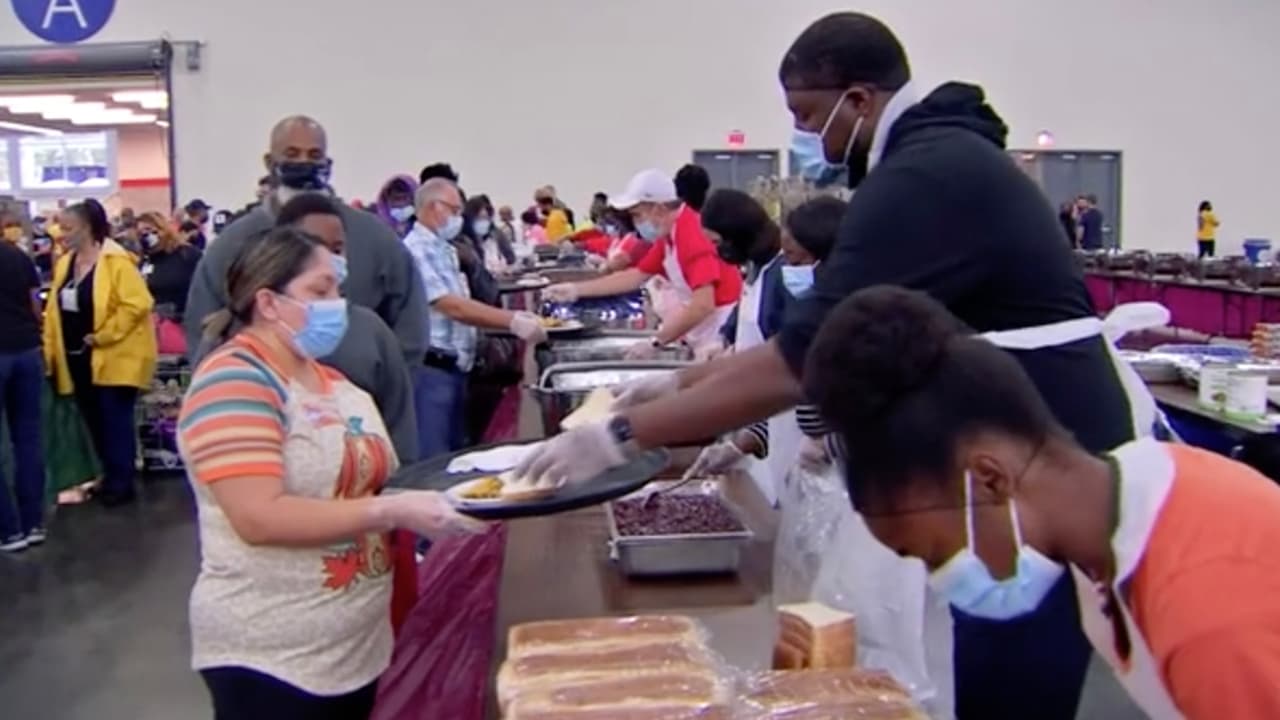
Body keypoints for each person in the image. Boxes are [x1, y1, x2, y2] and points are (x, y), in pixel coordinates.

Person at [517, 12, 1154, 719]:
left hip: (1040, 456)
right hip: (1005, 451)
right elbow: (819, 334)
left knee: (1010, 672)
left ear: (860, 99)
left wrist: (623, 434)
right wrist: (681, 381)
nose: (804, 137)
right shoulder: (932, 160)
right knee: (982, 647)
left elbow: (806, 361)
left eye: (806, 115)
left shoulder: (928, 174)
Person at [807, 285, 1280, 719]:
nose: (943, 581)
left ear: (989, 479)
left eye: (935, 556)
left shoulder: (1208, 619)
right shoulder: (1117, 519)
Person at [179, 226, 482, 720]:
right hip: (272, 655)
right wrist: (390, 510)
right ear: (269, 303)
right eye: (319, 292)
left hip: (351, 648)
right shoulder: (234, 380)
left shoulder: (331, 381)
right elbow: (258, 517)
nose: (335, 305)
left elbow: (372, 473)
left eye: (337, 290)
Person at [183, 115, 428, 373]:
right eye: (292, 153)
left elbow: (410, 322)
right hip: (262, 395)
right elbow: (204, 327)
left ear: (328, 163)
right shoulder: (234, 243)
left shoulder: (375, 238)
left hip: (360, 397)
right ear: (269, 162)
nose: (303, 162)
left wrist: (391, 381)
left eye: (313, 154)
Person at [688, 193, 843, 497]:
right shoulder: (763, 274)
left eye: (797, 259)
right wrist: (742, 442)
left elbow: (794, 373)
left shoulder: (842, 325)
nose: (792, 266)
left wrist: (825, 441)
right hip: (781, 429)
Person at [403, 178, 547, 458]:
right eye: (455, 211)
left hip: (457, 368)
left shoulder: (445, 249)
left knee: (456, 452)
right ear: (434, 207)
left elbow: (468, 304)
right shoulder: (416, 250)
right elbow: (452, 306)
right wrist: (511, 321)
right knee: (435, 458)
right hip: (433, 371)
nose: (459, 219)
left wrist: (511, 316)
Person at [272, 193, 420, 464]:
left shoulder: (370, 331)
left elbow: (400, 429)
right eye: (314, 246)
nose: (327, 258)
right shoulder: (251, 333)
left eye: (337, 249)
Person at [543, 169, 743, 359]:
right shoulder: (669, 237)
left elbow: (702, 305)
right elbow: (635, 276)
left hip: (718, 336)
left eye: (637, 214)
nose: (635, 222)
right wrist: (575, 290)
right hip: (702, 334)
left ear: (658, 208)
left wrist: (656, 342)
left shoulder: (691, 236)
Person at [44, 199, 157, 507]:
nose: (62, 234)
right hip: (77, 356)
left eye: (68, 228)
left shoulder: (117, 262)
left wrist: (105, 335)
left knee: (114, 419)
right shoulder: (66, 263)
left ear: (88, 227)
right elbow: (54, 307)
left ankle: (121, 482)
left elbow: (137, 304)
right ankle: (106, 475)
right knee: (92, 418)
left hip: (114, 354)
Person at [0, 234, 46, 550]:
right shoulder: (17, 255)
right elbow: (35, 304)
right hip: (27, 350)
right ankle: (33, 523)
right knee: (28, 439)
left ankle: (8, 529)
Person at [138, 211, 202, 318]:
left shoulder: (187, 254)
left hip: (185, 322)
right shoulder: (144, 261)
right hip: (155, 325)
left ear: (162, 229)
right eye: (140, 233)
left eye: (148, 230)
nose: (145, 236)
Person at [460, 196, 515, 275]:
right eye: (479, 218)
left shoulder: (493, 237)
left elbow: (509, 258)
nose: (484, 222)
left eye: (486, 218)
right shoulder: (465, 244)